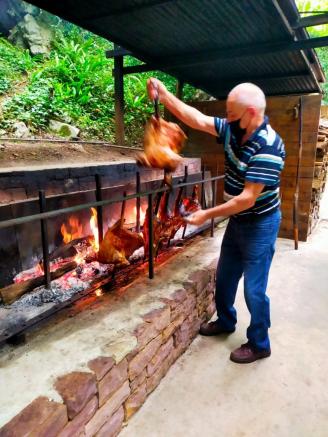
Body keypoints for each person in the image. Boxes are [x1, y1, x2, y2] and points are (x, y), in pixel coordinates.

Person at [147, 78, 285, 364]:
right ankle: (225, 321)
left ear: (250, 112)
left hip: (260, 223)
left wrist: (206, 215)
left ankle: (260, 343)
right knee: (224, 277)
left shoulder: (269, 148)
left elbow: (247, 198)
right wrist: (163, 93)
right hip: (238, 221)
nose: (227, 120)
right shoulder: (235, 130)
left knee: (254, 289)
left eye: (232, 115)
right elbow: (195, 118)